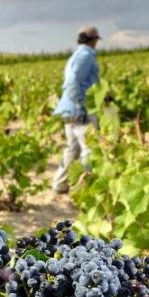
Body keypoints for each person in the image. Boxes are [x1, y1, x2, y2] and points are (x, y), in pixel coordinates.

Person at [51, 25, 101, 195]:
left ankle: (60, 184)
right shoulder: (86, 56)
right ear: (93, 40)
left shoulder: (76, 55)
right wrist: (81, 105)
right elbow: (72, 83)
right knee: (89, 149)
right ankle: (85, 188)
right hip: (79, 109)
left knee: (73, 149)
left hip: (68, 109)